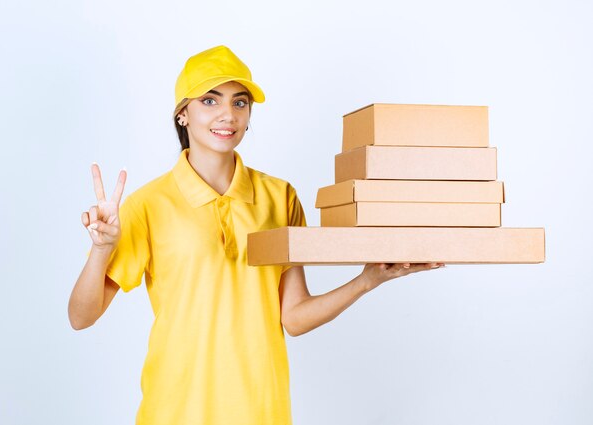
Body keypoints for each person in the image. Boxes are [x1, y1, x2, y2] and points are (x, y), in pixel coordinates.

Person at [68, 45, 445, 425]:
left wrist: (367, 280)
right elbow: (80, 317)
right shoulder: (147, 204)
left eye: (240, 102)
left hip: (261, 411)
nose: (227, 115)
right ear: (183, 114)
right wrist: (102, 249)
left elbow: (294, 318)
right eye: (210, 100)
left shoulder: (279, 197)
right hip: (175, 411)